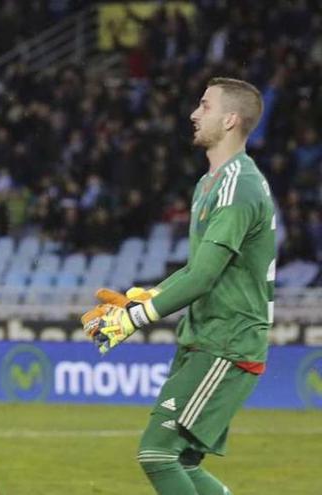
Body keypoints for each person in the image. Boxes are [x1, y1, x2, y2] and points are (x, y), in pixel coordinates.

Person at [81, 78, 274, 495]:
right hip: (207, 337)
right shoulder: (211, 183)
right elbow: (198, 268)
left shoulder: (236, 186)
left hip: (227, 340)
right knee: (180, 460)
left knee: (158, 454)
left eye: (204, 106)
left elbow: (204, 278)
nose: (193, 113)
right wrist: (146, 297)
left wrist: (136, 319)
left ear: (230, 119)